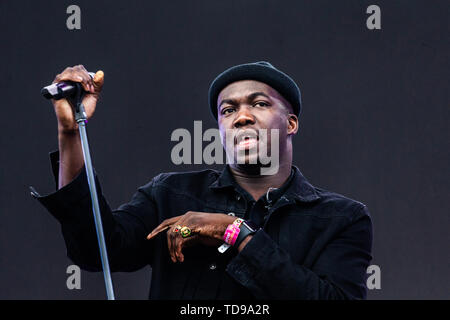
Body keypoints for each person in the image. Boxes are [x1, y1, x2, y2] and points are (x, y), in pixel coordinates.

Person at [31, 61, 373, 299]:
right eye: (228, 110)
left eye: (259, 104)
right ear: (221, 130)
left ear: (291, 123)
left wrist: (234, 232)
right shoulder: (170, 195)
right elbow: (95, 250)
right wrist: (71, 133)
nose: (242, 117)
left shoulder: (341, 219)